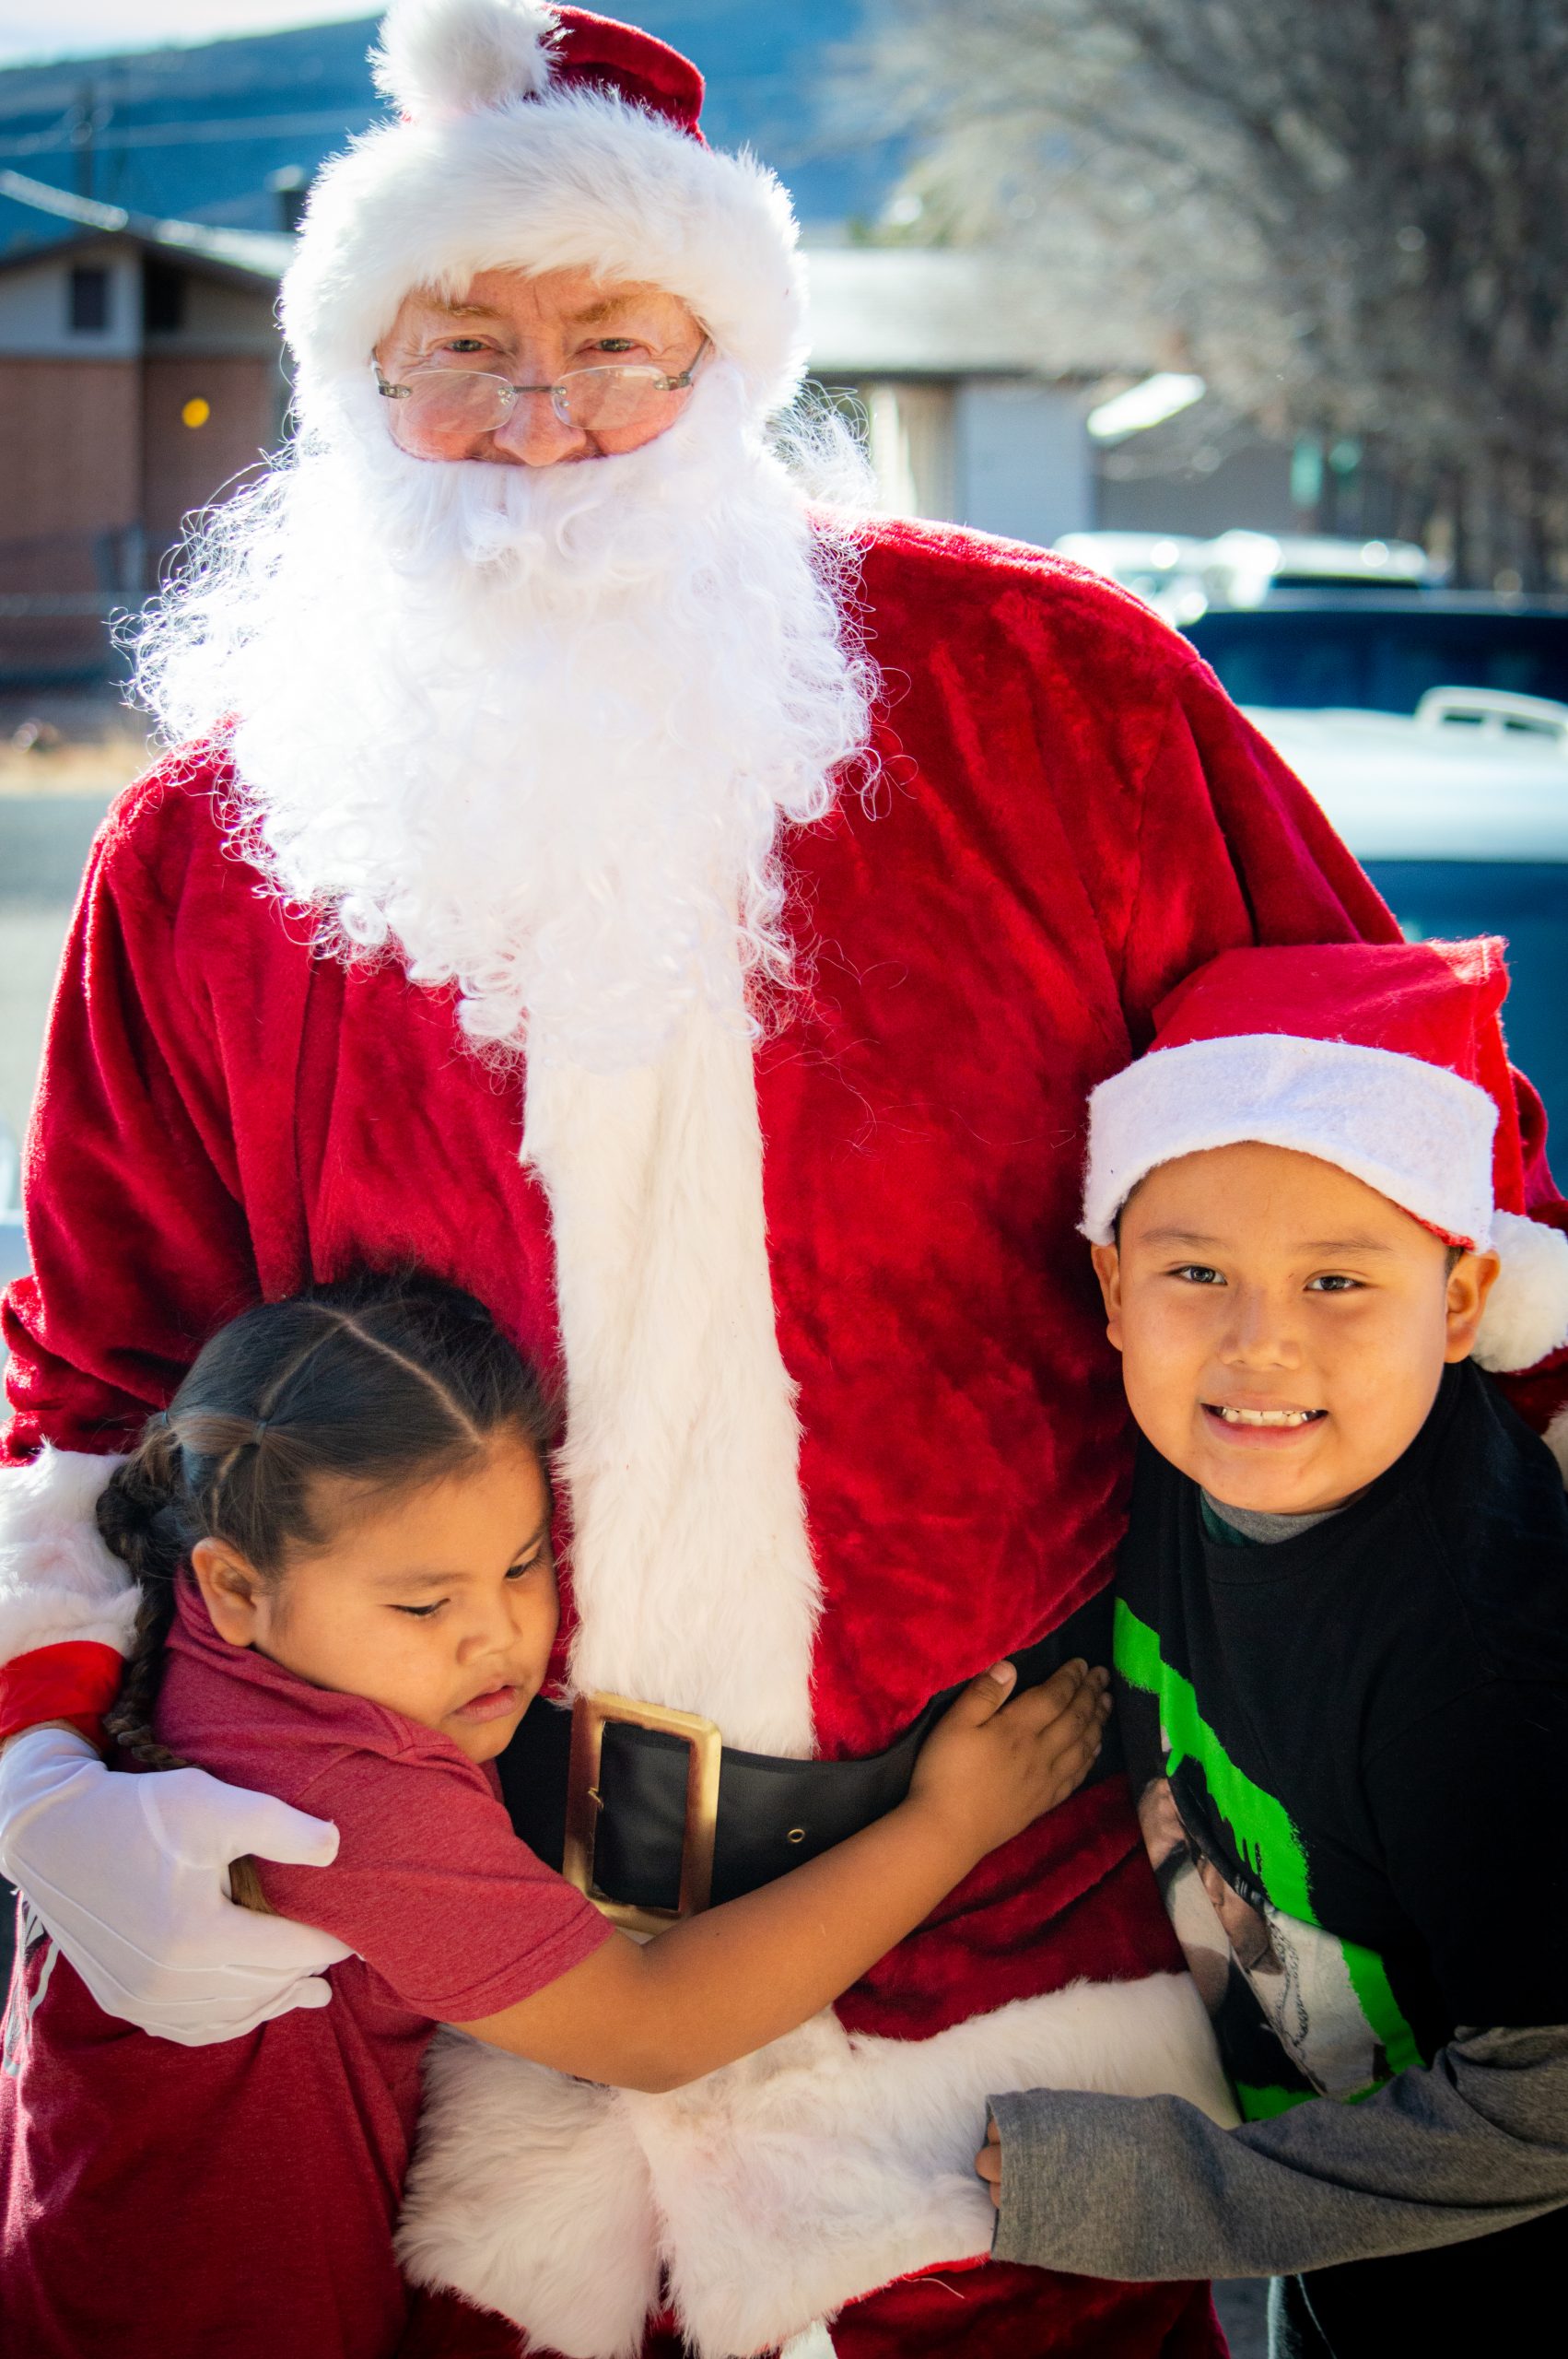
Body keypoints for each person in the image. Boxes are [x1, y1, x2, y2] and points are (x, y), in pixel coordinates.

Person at [0, 4, 1563, 2352]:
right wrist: (47, 1765)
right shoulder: (207, 847)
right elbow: (100, 1369)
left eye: (615, 338)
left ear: (725, 356)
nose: (541, 417)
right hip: (466, 1989)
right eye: (459, 346)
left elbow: (1413, 1157)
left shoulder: (1063, 702)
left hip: (1002, 1971)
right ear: (356, 378)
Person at [1, 1268, 1114, 2359]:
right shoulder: (345, 1795)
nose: (499, 1636)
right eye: (425, 1602)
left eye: (525, 1564)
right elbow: (650, 2027)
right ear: (236, 1585)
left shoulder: (186, 1609)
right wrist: (950, 1824)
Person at [977, 939, 1568, 2355]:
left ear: (1463, 1303)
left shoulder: (1477, 1667)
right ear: (1112, 1293)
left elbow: (1548, 2108)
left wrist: (1168, 2194)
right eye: (1197, 1272)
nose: (1258, 1349)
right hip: (1341, 2266)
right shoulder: (1174, 1471)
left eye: (1336, 1285)